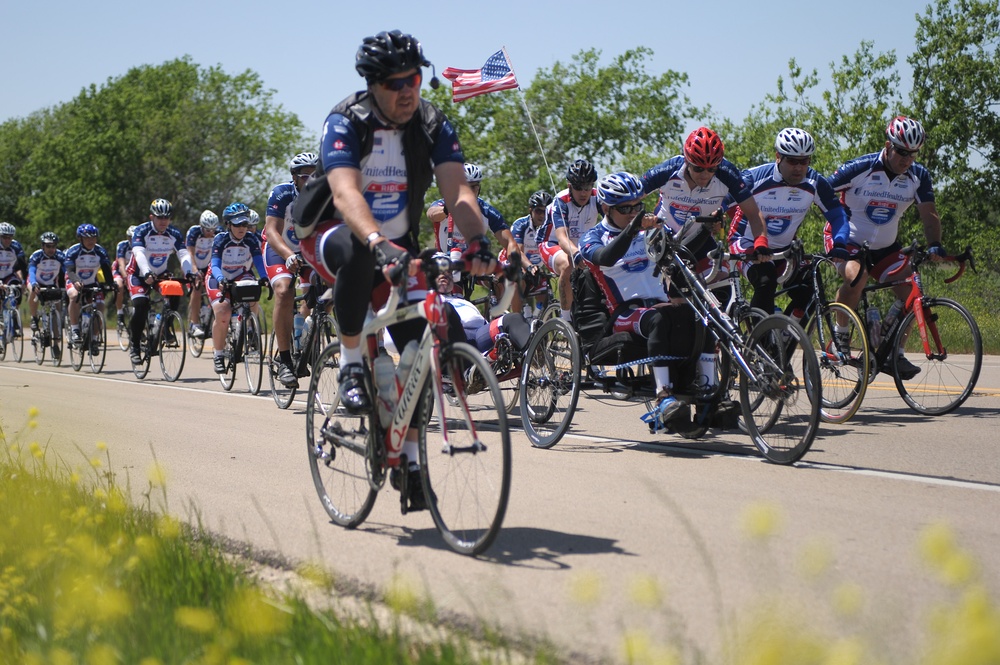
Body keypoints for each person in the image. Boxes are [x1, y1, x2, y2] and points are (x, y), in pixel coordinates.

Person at [296, 30, 495, 510]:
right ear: (373, 83)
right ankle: (348, 366)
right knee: (362, 254)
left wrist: (480, 242)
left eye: (415, 78)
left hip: (398, 243)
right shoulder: (347, 120)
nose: (409, 89)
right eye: (396, 82)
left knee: (418, 350)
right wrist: (375, 240)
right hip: (332, 232)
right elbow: (346, 195)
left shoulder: (431, 123)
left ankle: (407, 461)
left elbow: (459, 195)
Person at [580, 172, 712, 432]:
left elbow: (682, 254)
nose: (633, 213)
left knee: (702, 313)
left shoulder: (652, 232)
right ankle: (663, 396)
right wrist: (633, 228)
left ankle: (709, 392)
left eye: (637, 206)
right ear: (606, 207)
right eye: (625, 208)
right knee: (657, 319)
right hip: (624, 313)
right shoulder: (592, 237)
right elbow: (605, 257)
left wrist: (708, 230)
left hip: (658, 304)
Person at [824, 116, 942, 379]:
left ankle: (894, 352)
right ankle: (839, 338)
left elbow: (929, 214)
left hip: (886, 247)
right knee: (857, 277)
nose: (907, 159)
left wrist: (935, 244)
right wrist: (837, 221)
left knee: (913, 290)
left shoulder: (918, 176)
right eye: (901, 152)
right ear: (888, 145)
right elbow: (821, 190)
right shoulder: (861, 168)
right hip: (849, 240)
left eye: (912, 154)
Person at [726, 128, 849, 318]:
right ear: (778, 156)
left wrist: (840, 242)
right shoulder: (755, 178)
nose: (798, 168)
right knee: (766, 280)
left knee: (811, 288)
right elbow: (720, 201)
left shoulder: (814, 182)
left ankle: (786, 336)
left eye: (804, 161)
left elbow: (837, 215)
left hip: (782, 249)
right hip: (746, 242)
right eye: (792, 161)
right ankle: (758, 343)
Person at [642, 127, 770, 290]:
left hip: (700, 238)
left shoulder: (727, 173)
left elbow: (753, 213)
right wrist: (641, 220)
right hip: (666, 239)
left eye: (712, 169)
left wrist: (761, 243)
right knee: (674, 291)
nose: (705, 174)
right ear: (687, 161)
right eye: (698, 168)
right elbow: (632, 196)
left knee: (723, 289)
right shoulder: (670, 169)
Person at [264, 151, 318, 388]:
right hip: (280, 248)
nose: (312, 180)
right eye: (306, 176)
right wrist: (288, 255)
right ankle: (285, 360)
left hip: (309, 250)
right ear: (295, 178)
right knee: (285, 291)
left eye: (317, 175)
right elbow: (272, 231)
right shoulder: (282, 193)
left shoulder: (326, 194)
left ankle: (303, 336)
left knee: (326, 293)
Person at [126, 198, 194, 365]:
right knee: (141, 305)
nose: (164, 221)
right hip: (138, 274)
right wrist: (146, 272)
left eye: (167, 217)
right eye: (159, 217)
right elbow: (139, 254)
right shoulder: (141, 231)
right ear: (152, 217)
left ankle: (165, 327)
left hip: (160, 273)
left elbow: (184, 254)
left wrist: (189, 272)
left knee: (176, 290)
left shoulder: (174, 233)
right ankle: (135, 346)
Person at [207, 203, 269, 374]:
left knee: (253, 293)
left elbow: (258, 261)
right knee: (223, 312)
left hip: (241, 274)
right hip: (218, 276)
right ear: (228, 224)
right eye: (237, 225)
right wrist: (220, 279)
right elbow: (215, 264)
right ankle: (218, 355)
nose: (242, 228)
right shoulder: (220, 239)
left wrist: (264, 277)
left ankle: (250, 328)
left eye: (245, 224)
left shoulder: (250, 239)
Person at [537, 159, 601, 322]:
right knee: (568, 264)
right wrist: (576, 253)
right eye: (579, 188)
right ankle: (566, 321)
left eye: (587, 187)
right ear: (569, 186)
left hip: (580, 244)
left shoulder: (597, 197)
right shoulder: (560, 202)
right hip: (552, 244)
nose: (583, 193)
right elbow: (562, 238)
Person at [63, 224, 115, 348]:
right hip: (73, 279)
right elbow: (70, 270)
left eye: (94, 238)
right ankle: (75, 329)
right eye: (87, 238)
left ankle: (94, 338)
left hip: (91, 281)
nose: (91, 241)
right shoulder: (73, 251)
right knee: (74, 295)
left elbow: (106, 270)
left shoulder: (100, 251)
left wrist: (111, 284)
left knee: (101, 305)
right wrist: (75, 281)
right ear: (80, 239)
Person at [509, 190, 552, 317]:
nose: (542, 215)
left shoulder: (553, 227)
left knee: (545, 292)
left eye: (546, 211)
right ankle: (516, 319)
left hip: (535, 266)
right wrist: (528, 267)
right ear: (530, 210)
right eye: (539, 211)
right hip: (517, 261)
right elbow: (518, 252)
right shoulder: (521, 225)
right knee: (519, 279)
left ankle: (538, 321)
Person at [185, 210, 220, 339]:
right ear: (201, 226)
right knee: (197, 286)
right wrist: (194, 270)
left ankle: (210, 315)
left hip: (207, 265)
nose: (210, 233)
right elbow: (190, 254)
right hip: (192, 264)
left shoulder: (218, 232)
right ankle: (194, 324)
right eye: (207, 230)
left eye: (213, 230)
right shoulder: (194, 232)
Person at [28, 232, 67, 334]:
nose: (51, 249)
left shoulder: (60, 256)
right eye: (48, 246)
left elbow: (67, 271)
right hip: (35, 281)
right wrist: (33, 283)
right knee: (33, 292)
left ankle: (56, 337)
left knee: (57, 308)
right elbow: (31, 271)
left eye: (53, 246)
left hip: (51, 283)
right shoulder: (36, 256)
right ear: (42, 246)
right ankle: (34, 317)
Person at [112, 226, 137, 330]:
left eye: (135, 238)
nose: (133, 240)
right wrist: (126, 278)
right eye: (131, 238)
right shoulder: (122, 245)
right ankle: (120, 313)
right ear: (128, 238)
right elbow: (121, 265)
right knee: (120, 286)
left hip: (133, 271)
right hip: (119, 270)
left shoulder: (143, 245)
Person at [0, 222, 27, 310]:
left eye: (10, 237)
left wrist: (24, 282)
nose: (7, 240)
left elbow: (22, 264)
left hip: (9, 275)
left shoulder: (16, 246)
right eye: (4, 237)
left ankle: (15, 314)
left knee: (17, 289)